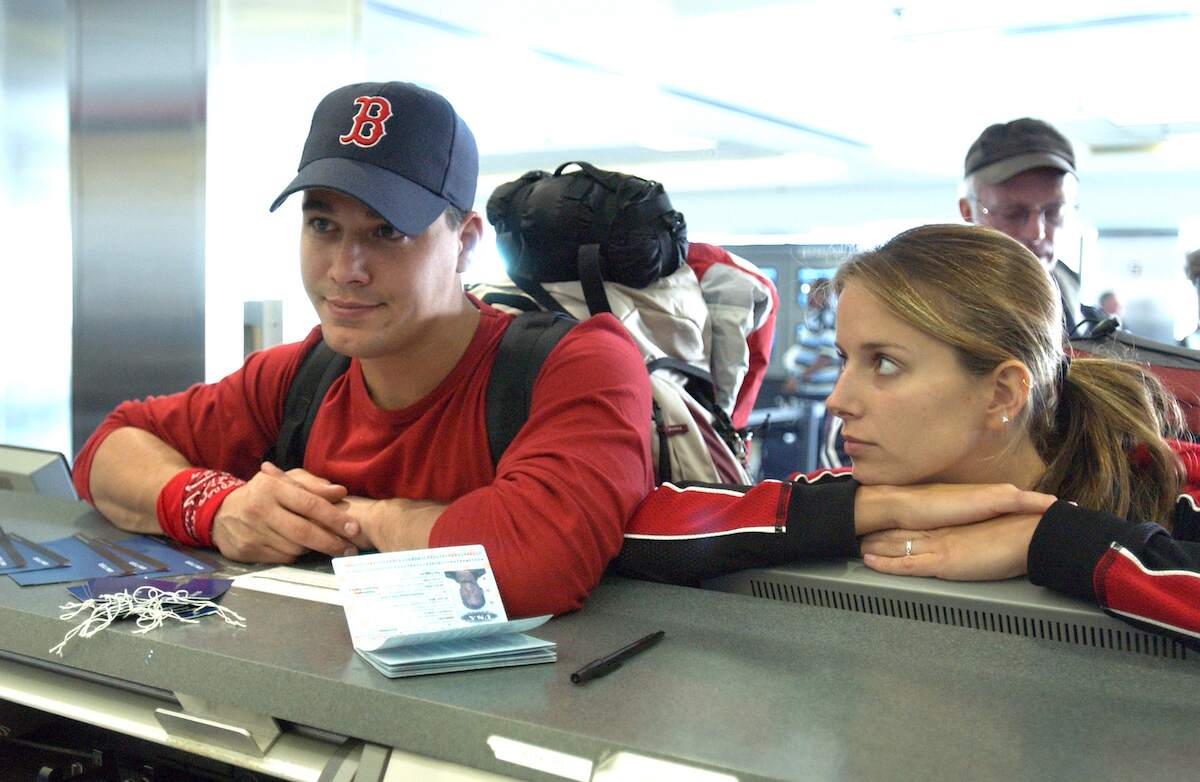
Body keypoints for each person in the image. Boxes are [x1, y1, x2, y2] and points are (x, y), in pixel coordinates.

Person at [71, 81, 654, 618]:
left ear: (465, 242)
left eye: (387, 232)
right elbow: (107, 451)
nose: (345, 270)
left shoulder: (577, 365)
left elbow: (535, 565)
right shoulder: (301, 375)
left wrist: (362, 517)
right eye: (323, 225)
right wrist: (217, 507)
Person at [614, 224, 1200, 647]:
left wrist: (1051, 541)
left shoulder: (1169, 482)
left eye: (885, 364)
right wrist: (874, 506)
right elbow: (634, 526)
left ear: (1001, 393)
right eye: (845, 359)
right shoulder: (881, 485)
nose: (839, 400)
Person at [958, 117, 1103, 336]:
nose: (1037, 232)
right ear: (968, 212)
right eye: (1012, 213)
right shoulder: (930, 316)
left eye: (1054, 212)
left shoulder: (1092, 326)